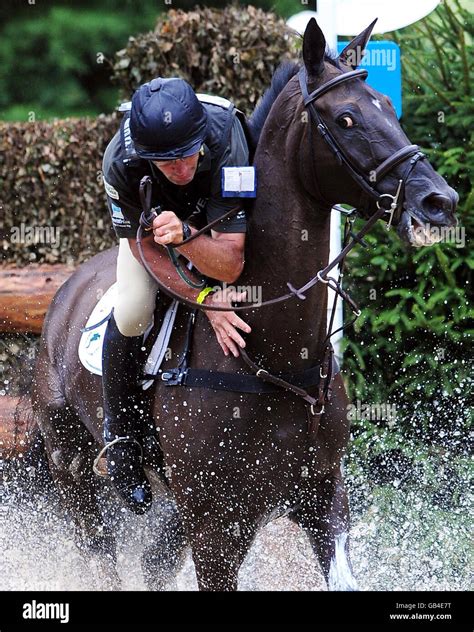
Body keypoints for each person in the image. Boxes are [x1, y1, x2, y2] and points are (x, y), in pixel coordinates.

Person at [101, 77, 252, 513]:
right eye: (167, 163)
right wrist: (205, 299)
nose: (182, 169)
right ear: (146, 156)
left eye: (188, 154)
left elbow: (231, 261)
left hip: (216, 223)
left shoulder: (227, 134)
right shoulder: (121, 161)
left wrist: (187, 236)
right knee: (131, 311)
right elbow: (144, 248)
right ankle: (121, 437)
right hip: (153, 236)